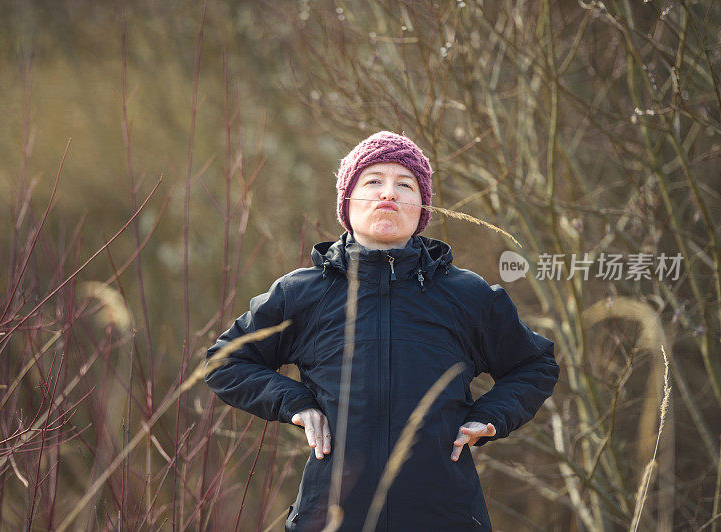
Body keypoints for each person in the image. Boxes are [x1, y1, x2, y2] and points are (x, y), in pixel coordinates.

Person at [204, 131, 559, 531]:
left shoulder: (467, 295)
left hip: (446, 517)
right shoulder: (300, 293)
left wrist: (492, 415)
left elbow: (535, 365)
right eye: (373, 181)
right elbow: (225, 362)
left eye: (405, 185)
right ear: (347, 201)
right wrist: (295, 402)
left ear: (421, 206)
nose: (388, 194)